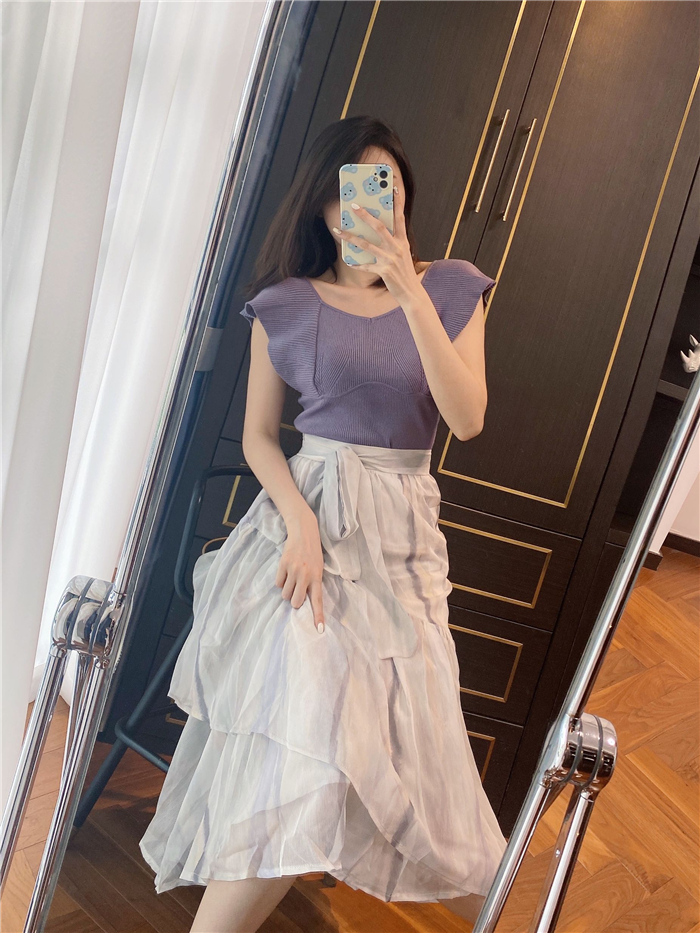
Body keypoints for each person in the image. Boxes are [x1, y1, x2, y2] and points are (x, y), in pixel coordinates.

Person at [139, 115, 508, 933]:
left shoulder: (451, 287)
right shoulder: (286, 304)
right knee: (300, 738)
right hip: (306, 527)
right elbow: (258, 437)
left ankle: (510, 901)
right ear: (322, 204)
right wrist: (300, 523)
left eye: (386, 189)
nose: (369, 209)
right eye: (353, 192)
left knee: (405, 751)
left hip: (401, 533)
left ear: (405, 198)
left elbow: (467, 417)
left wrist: (407, 288)